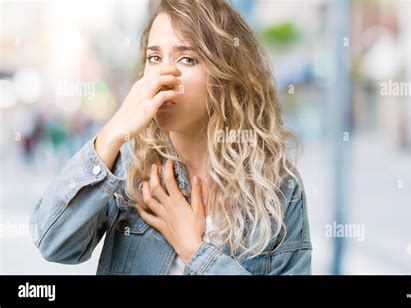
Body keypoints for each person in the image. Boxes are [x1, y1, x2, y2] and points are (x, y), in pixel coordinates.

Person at [30, 0, 312, 275]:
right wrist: (113, 132)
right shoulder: (131, 164)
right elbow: (52, 243)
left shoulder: (279, 187)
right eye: (155, 58)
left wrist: (195, 252)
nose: (162, 76)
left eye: (186, 59)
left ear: (226, 74)